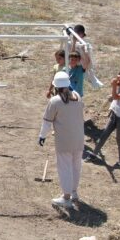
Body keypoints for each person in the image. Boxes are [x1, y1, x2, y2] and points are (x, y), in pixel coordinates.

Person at [38, 71, 85, 210]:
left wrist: (42, 136)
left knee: (65, 168)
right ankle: (74, 192)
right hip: (79, 138)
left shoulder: (55, 101)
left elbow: (47, 121)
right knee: (76, 167)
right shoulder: (77, 96)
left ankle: (66, 197)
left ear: (56, 86)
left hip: (64, 141)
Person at [93, 71, 120, 168]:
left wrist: (114, 86)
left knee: (119, 139)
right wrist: (116, 81)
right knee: (104, 134)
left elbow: (116, 97)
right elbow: (114, 92)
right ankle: (94, 154)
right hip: (114, 115)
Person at [68, 25, 102, 91]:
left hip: (81, 67)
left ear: (82, 34)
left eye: (78, 33)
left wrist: (83, 50)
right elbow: (71, 56)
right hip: (73, 66)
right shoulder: (71, 43)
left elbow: (88, 61)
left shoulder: (86, 44)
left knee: (77, 88)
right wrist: (74, 42)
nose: (76, 35)